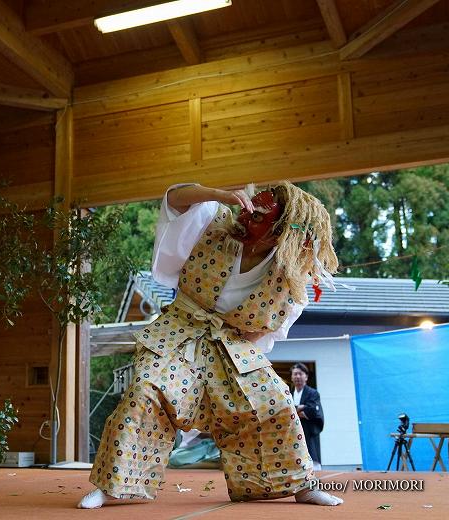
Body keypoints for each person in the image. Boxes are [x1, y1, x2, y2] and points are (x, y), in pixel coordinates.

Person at [78, 182, 344, 509]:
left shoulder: (288, 275)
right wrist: (219, 195)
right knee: (145, 391)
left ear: (281, 232)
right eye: (249, 208)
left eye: (259, 216)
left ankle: (299, 487)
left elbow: (264, 331)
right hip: (179, 331)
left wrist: (230, 360)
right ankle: (113, 488)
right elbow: (174, 199)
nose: (246, 216)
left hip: (231, 344)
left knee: (274, 401)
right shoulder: (215, 224)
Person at [290, 362, 324, 470]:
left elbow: (313, 410)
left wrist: (296, 410)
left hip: (308, 430)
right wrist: (301, 408)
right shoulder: (289, 393)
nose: (297, 377)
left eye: (300, 374)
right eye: (295, 374)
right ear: (291, 377)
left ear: (306, 377)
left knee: (312, 460)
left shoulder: (313, 393)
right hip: (293, 430)